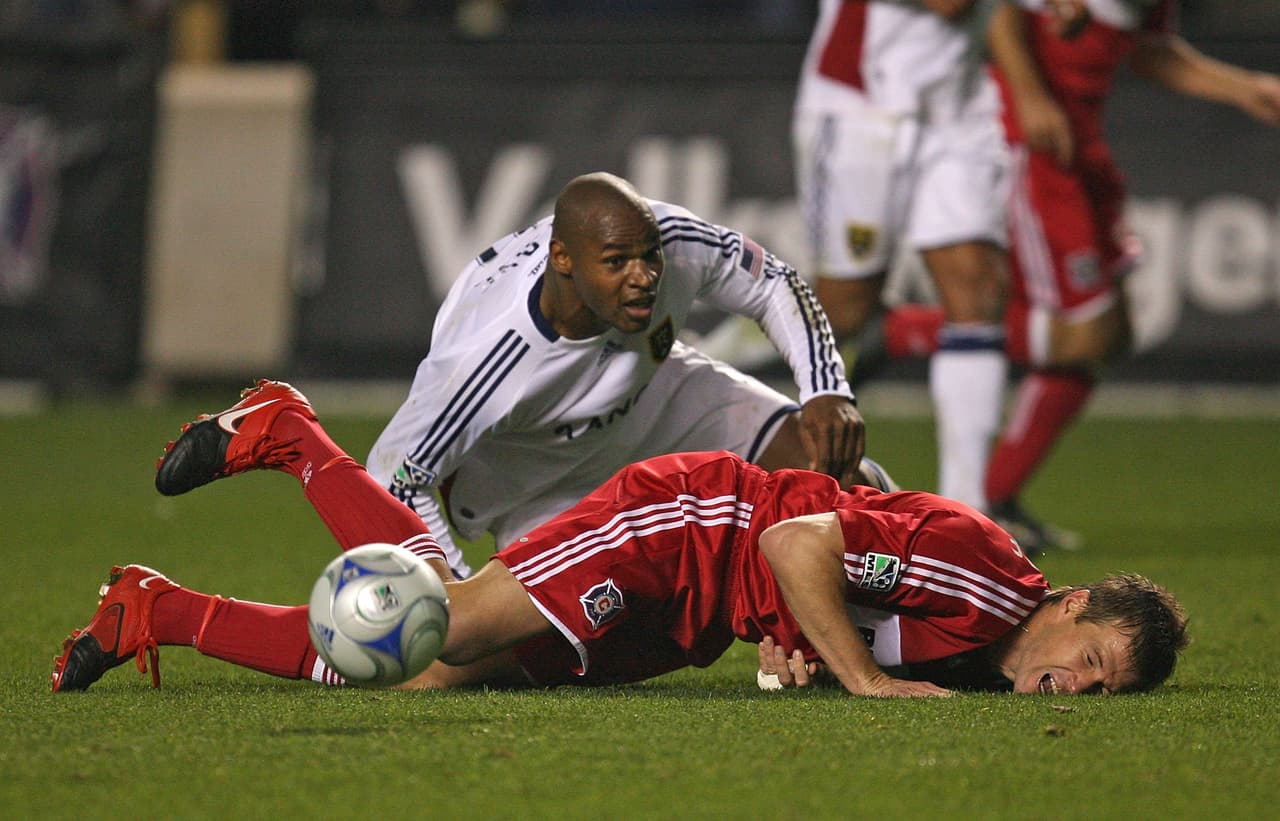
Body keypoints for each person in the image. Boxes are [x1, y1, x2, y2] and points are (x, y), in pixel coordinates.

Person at [54, 380, 1187, 697]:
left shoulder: (986, 660)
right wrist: (856, 678)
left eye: (1099, 692)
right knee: (433, 634)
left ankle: (153, 608)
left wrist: (791, 649)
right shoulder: (984, 583)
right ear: (1073, 602)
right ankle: (290, 433)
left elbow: (808, 595)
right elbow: (796, 532)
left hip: (690, 615)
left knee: (427, 674)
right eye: (1088, 662)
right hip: (677, 530)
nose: (1073, 690)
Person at [276, 171, 865, 580]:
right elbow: (397, 475)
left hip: (656, 393)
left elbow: (772, 282)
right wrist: (451, 588)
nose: (644, 278)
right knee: (534, 653)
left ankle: (888, 637)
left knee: (847, 477)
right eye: (616, 263)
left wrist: (826, 388)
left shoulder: (670, 239)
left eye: (648, 257)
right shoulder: (487, 355)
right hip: (539, 487)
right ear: (564, 260)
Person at [851, 0, 1280, 550]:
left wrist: (1245, 88)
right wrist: (1029, 94)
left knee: (1112, 334)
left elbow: (1150, 50)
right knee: (1083, 333)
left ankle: (996, 498)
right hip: (1030, 142)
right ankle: (898, 333)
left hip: (1080, 148)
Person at [792, 0, 1014, 514]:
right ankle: (715, 366)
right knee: (842, 309)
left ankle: (968, 512)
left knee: (976, 288)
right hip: (861, 106)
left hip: (958, 108)